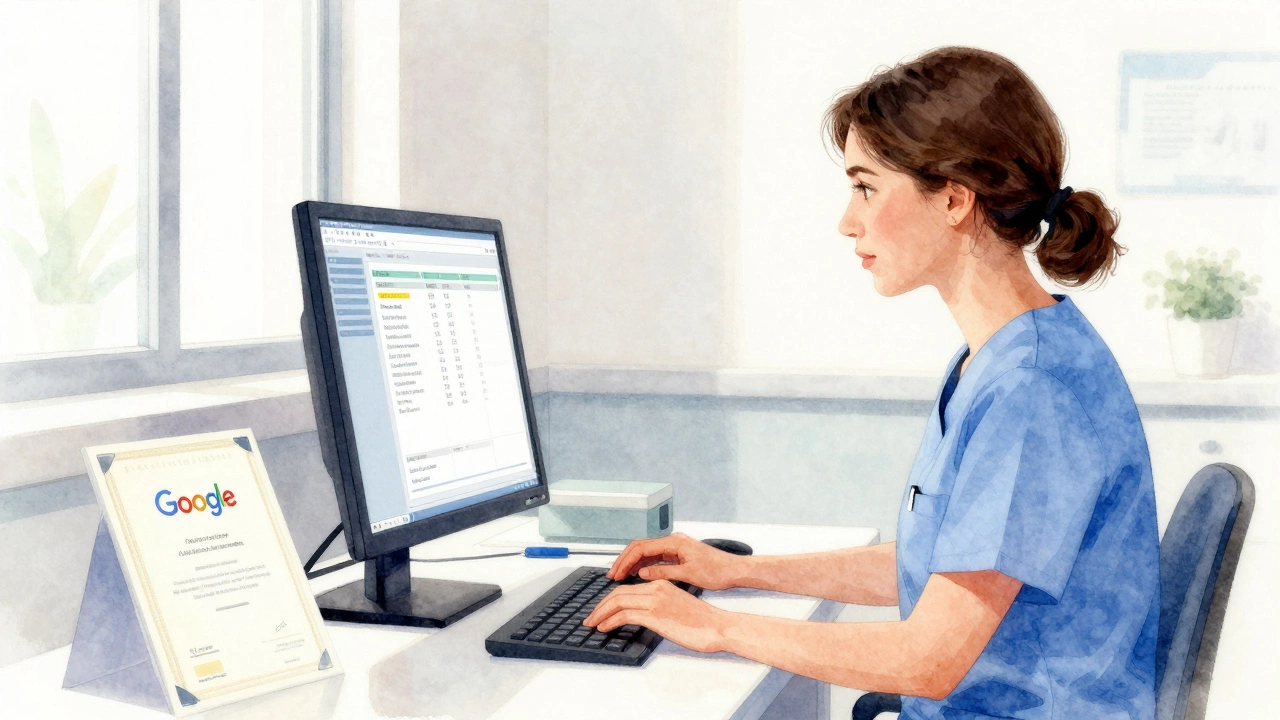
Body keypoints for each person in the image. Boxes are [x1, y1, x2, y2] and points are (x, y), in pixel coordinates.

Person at [584, 46, 1160, 719]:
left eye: (865, 187)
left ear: (953, 198)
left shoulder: (1033, 391)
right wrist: (738, 571)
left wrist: (717, 627)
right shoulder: (999, 358)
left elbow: (930, 660)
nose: (846, 221)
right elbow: (945, 571)